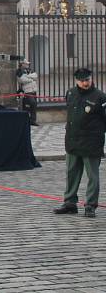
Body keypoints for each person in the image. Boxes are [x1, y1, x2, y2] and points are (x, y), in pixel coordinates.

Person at [53, 68, 106, 218]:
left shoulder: (100, 97)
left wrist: (97, 133)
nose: (85, 83)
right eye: (82, 81)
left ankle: (90, 205)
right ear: (76, 80)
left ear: (91, 79)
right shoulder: (70, 93)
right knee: (71, 173)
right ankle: (70, 203)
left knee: (92, 176)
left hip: (91, 142)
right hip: (73, 141)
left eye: (87, 80)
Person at [16, 60, 39, 126]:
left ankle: (33, 120)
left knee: (34, 105)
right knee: (31, 103)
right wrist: (31, 78)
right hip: (27, 91)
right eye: (26, 64)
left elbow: (36, 76)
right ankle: (27, 120)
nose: (27, 65)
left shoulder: (30, 70)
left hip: (33, 90)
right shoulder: (19, 71)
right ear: (22, 64)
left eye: (28, 64)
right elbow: (22, 80)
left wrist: (27, 76)